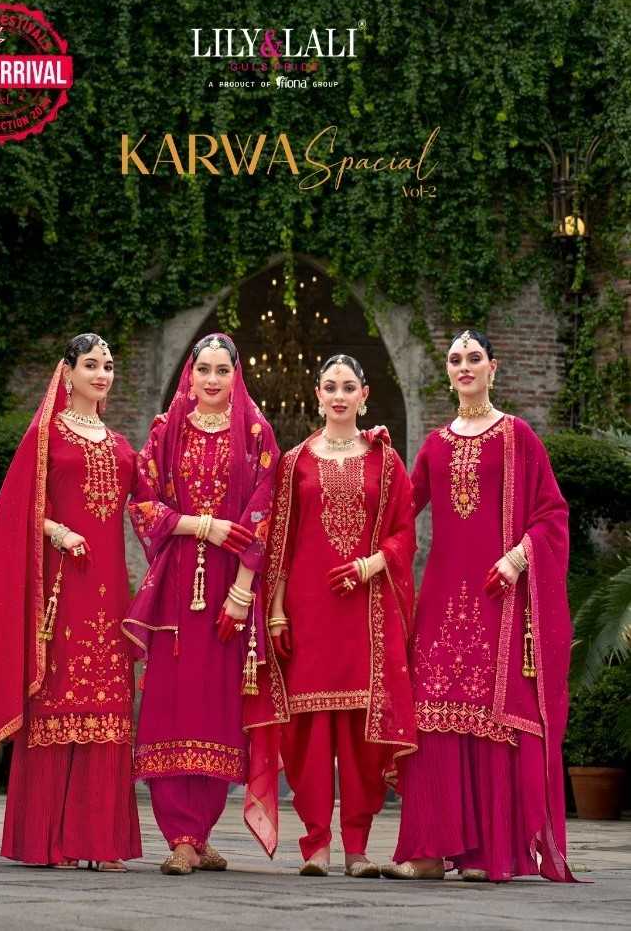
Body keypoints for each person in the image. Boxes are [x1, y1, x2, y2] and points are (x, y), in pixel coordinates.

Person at [382, 328, 575, 883]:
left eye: (473, 358)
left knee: (493, 717)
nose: (464, 366)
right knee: (433, 713)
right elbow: (398, 510)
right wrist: (372, 456)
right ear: (448, 373)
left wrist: (517, 559)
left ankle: (489, 854)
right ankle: (428, 851)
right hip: (443, 598)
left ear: (494, 367)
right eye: (455, 359)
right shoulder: (435, 444)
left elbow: (552, 514)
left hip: (499, 597)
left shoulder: (518, 437)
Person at [0, 333, 144, 871]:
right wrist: (58, 532)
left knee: (107, 703)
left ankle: (101, 841)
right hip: (62, 588)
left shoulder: (122, 445)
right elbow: (15, 511)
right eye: (91, 364)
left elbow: (151, 504)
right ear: (68, 371)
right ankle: (50, 839)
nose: (102, 374)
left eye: (108, 365)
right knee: (58, 698)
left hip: (109, 591)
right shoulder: (45, 437)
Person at [244, 354, 417, 876]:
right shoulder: (295, 461)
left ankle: (357, 847)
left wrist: (372, 564)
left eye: (348, 387)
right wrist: (276, 610)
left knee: (363, 731)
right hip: (307, 606)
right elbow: (281, 540)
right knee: (308, 730)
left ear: (365, 395)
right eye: (330, 387)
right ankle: (316, 843)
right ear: (317, 395)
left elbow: (405, 531)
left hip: (366, 608)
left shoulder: (387, 461)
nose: (339, 396)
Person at [123, 333, 279, 875]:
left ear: (236, 375)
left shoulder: (256, 434)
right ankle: (179, 837)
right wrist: (200, 525)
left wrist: (242, 592)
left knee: (219, 705)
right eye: (203, 369)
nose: (212, 380)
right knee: (172, 701)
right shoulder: (165, 431)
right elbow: (142, 503)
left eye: (222, 370)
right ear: (189, 375)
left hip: (229, 588)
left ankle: (201, 831)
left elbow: (266, 511)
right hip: (176, 587)